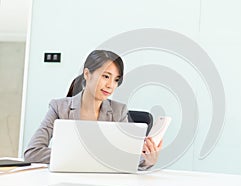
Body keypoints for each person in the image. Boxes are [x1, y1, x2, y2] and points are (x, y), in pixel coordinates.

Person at [24, 50, 162, 170]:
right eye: (106, 76)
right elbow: (32, 153)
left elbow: (125, 158)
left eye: (116, 80)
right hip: (66, 181)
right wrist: (84, 155)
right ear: (87, 74)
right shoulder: (59, 108)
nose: (110, 85)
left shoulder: (119, 111)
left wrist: (147, 161)